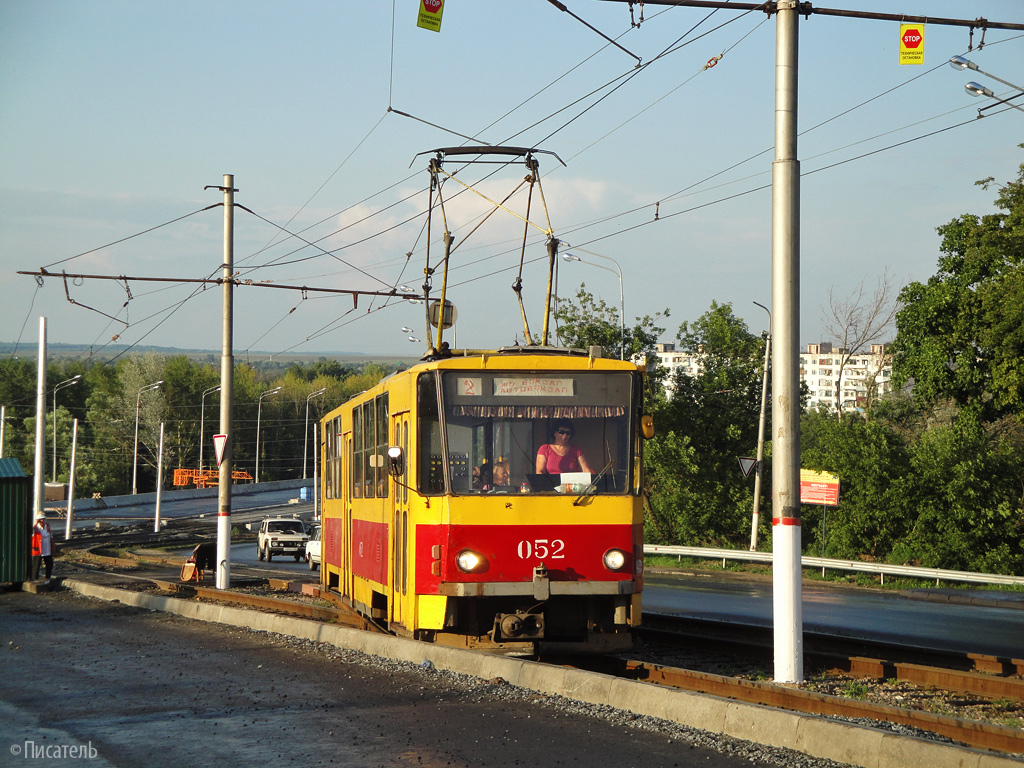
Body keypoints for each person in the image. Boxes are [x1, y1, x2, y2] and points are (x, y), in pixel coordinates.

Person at [31, 512, 54, 581]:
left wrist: (53, 545)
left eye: (43, 519)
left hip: (47, 548)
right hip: (38, 549)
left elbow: (50, 535)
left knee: (50, 563)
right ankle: (35, 578)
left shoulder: (47, 526)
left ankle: (48, 577)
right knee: (36, 565)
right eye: (40, 519)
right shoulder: (35, 528)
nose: (42, 521)